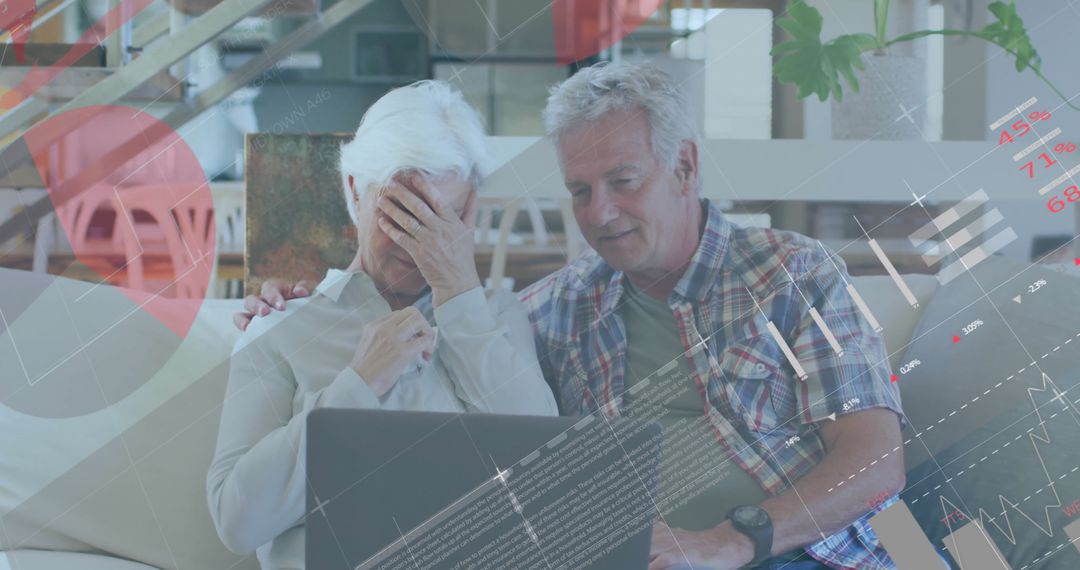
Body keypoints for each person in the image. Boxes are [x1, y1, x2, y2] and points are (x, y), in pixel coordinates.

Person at [238, 63, 909, 570]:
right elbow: (464, 369)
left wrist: (729, 543)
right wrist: (297, 311)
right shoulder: (554, 309)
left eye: (624, 181)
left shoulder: (794, 273)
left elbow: (876, 460)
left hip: (799, 557)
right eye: (580, 191)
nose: (601, 214)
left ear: (684, 166)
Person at [208, 80, 557, 570]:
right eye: (401, 216)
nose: (421, 245)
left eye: (442, 218)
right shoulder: (280, 325)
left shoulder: (496, 317)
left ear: (468, 212)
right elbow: (238, 521)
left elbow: (547, 471)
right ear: (354, 189)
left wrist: (460, 294)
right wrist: (357, 386)